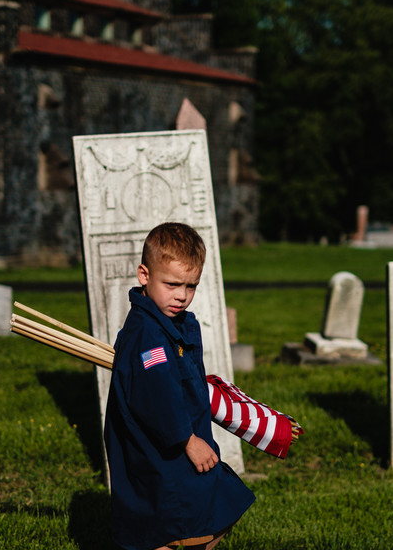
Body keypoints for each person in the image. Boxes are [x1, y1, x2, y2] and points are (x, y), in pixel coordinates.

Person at [104, 222, 255, 550]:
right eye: (172, 284)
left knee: (210, 505)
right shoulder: (148, 336)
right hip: (162, 446)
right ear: (144, 275)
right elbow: (156, 397)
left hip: (177, 440)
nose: (182, 296)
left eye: (191, 286)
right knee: (170, 520)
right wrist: (187, 440)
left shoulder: (171, 324)